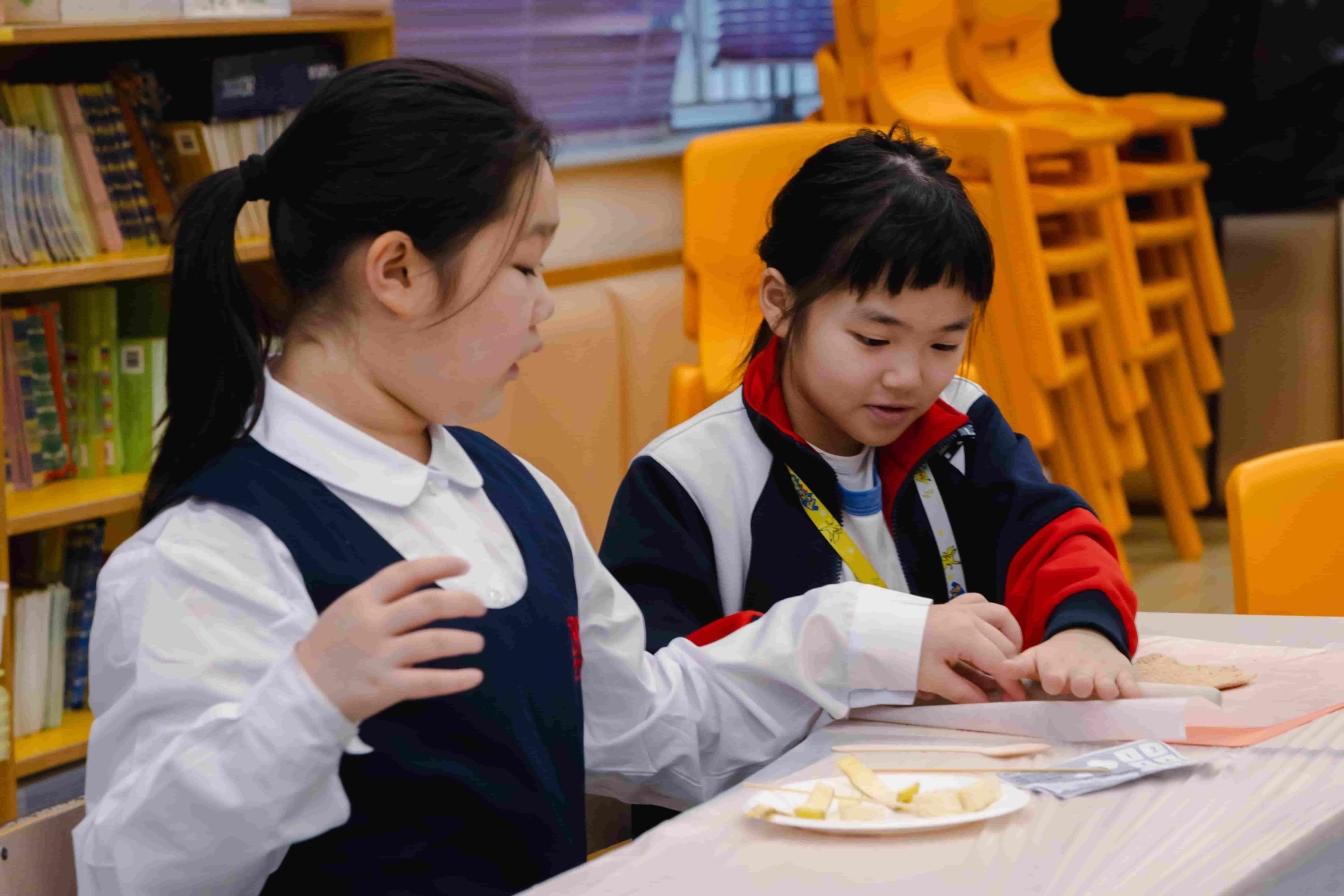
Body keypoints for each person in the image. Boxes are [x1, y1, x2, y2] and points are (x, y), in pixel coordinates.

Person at [71, 63, 1026, 896]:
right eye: (524, 266)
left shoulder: (509, 491)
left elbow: (650, 731)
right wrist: (308, 701)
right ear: (396, 272)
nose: (544, 305)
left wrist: (861, 634)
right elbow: (135, 872)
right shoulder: (213, 548)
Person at [600, 128, 1139, 717]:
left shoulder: (961, 422)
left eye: (943, 344)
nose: (908, 377)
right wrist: (872, 650)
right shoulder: (685, 479)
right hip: (789, 772)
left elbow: (1055, 539)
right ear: (780, 302)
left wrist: (1084, 629)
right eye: (873, 339)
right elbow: (654, 687)